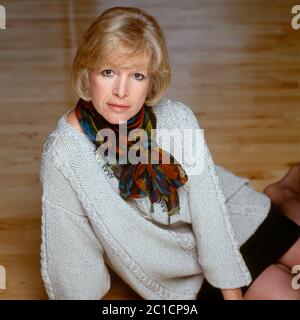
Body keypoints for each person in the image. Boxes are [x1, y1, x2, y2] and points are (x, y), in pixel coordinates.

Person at [39, 6, 300, 300]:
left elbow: (210, 214)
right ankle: (285, 193)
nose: (121, 91)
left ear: (151, 81)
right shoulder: (63, 154)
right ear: (88, 73)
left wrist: (232, 295)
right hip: (182, 276)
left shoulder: (177, 120)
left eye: (137, 75)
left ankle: (284, 194)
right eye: (109, 72)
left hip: (230, 217)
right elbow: (72, 259)